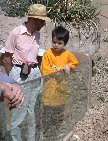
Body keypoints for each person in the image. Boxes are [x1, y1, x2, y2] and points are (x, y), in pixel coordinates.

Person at [3, 4, 50, 141]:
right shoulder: (16, 33)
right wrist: (13, 81)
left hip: (34, 73)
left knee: (32, 112)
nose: (44, 23)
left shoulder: (37, 34)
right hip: (19, 75)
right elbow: (7, 59)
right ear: (34, 19)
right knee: (18, 111)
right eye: (42, 20)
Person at [40, 26, 78, 136]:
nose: (56, 45)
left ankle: (58, 131)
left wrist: (68, 65)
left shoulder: (67, 54)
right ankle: (47, 134)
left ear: (64, 43)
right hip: (49, 89)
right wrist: (56, 72)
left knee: (59, 111)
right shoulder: (48, 53)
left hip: (61, 89)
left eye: (59, 43)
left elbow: (75, 63)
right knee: (47, 113)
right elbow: (44, 69)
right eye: (54, 42)